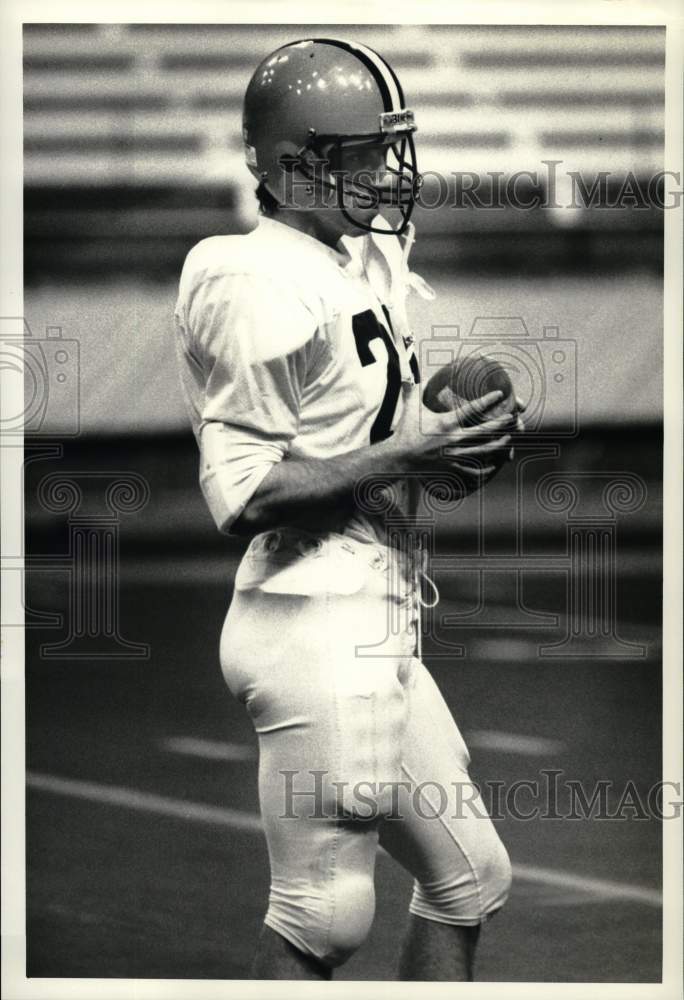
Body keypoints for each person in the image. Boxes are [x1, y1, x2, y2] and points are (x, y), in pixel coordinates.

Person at [174, 37, 522, 982]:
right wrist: (409, 452)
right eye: (362, 153)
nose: (384, 171)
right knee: (323, 915)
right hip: (310, 620)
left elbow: (361, 434)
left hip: (373, 610)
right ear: (295, 165)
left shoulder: (350, 260)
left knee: (470, 877)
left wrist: (450, 438)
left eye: (387, 148)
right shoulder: (251, 275)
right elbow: (243, 494)